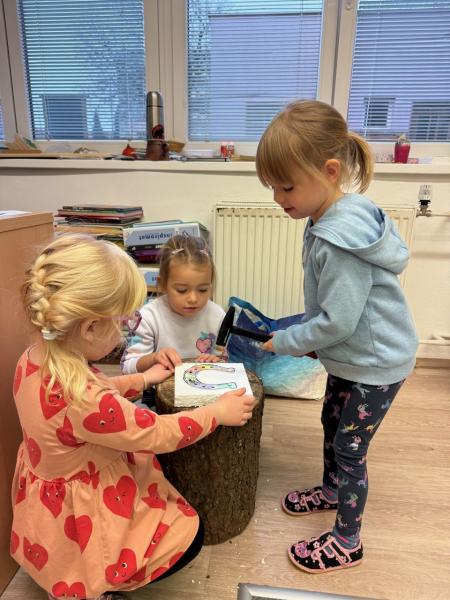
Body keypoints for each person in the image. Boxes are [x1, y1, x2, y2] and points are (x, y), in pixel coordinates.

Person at [11, 233, 255, 600]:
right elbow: (157, 433)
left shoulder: (33, 358)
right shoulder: (84, 397)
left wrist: (141, 379)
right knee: (191, 536)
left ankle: (75, 574)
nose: (125, 332)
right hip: (83, 508)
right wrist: (216, 413)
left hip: (50, 499)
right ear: (91, 328)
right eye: (122, 323)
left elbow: (93, 398)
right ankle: (99, 584)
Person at [255, 100, 418, 573]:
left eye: (286, 186)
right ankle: (331, 491)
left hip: (376, 364)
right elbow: (336, 315)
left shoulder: (338, 239)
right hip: (354, 357)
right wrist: (309, 336)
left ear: (329, 172)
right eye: (272, 187)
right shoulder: (328, 215)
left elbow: (337, 322)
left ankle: (348, 541)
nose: (277, 197)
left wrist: (289, 341)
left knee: (350, 449)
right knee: (331, 421)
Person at [121, 234, 226, 380]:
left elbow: (226, 359)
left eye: (203, 290)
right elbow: (127, 368)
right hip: (158, 388)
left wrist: (217, 361)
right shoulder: (148, 317)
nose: (193, 299)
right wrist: (154, 358)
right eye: (182, 290)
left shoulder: (217, 315)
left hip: (204, 384)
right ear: (163, 284)